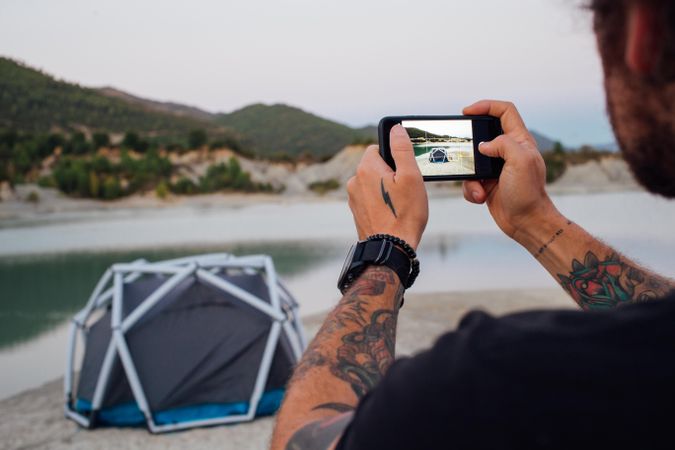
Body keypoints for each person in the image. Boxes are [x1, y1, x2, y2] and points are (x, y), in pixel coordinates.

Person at [271, 0, 675, 448]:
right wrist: (534, 220)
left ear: (644, 29)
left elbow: (300, 439)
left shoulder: (493, 378)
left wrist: (383, 251)